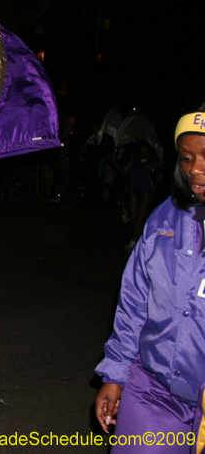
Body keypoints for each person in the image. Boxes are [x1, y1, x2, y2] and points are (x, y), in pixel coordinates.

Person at [94, 110, 205, 452]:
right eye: (187, 158)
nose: (196, 169)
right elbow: (134, 302)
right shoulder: (165, 219)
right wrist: (115, 374)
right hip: (154, 390)